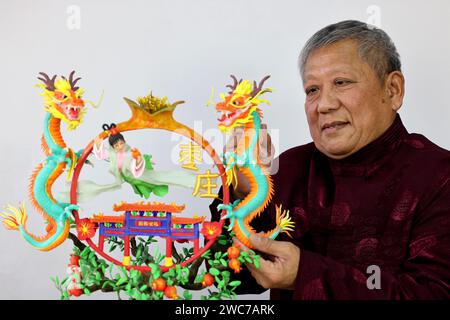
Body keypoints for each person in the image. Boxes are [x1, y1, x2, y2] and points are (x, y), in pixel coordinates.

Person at [210, 20, 450, 299]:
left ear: (393, 89)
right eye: (312, 90)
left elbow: (433, 293)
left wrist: (305, 274)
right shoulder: (290, 168)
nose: (323, 105)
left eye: (341, 82)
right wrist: (239, 190)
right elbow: (232, 278)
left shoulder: (439, 177)